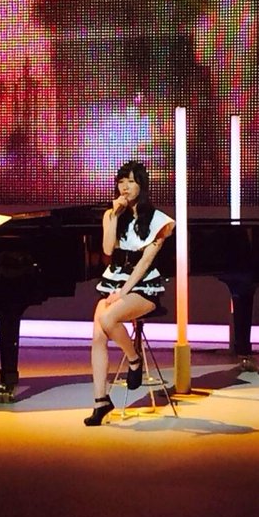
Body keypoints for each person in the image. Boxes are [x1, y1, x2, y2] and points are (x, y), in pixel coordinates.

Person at [84, 161, 175, 426]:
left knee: (107, 318)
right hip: (114, 281)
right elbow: (107, 250)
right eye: (121, 181)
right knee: (97, 335)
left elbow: (145, 263)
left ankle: (134, 360)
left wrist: (122, 294)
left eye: (131, 181)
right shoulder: (112, 215)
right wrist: (113, 216)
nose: (125, 187)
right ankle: (101, 401)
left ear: (141, 185)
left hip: (143, 287)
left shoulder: (159, 220)